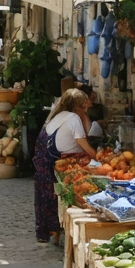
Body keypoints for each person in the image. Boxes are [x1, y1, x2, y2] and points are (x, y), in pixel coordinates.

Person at [33, 88, 97, 245]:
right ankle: (66, 227)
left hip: (46, 162)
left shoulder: (58, 116)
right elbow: (84, 144)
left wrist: (85, 115)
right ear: (77, 106)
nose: (86, 109)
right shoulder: (73, 117)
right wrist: (99, 157)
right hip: (58, 162)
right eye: (84, 106)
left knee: (47, 198)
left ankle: (52, 231)